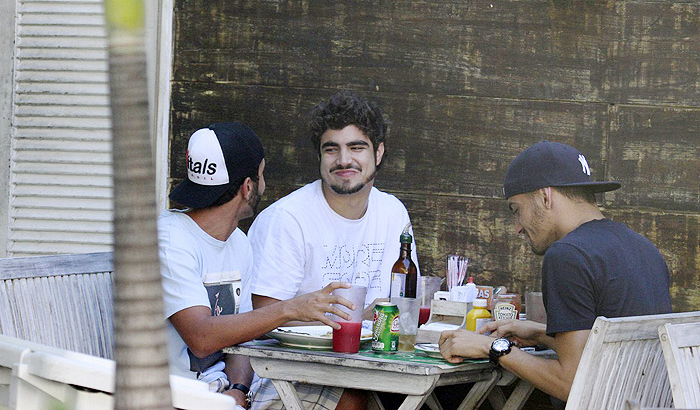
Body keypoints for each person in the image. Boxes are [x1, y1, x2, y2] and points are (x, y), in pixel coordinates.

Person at [439, 140, 671, 409]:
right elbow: (612, 353)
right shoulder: (645, 248)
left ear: (545, 197)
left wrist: (490, 348)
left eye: (517, 210)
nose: (517, 227)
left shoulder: (567, 254)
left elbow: (571, 384)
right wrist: (541, 334)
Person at [158, 122, 355, 409]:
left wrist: (239, 389)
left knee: (347, 395)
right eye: (261, 174)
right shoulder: (170, 239)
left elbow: (244, 337)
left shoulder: (237, 241)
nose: (263, 183)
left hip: (221, 387)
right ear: (248, 187)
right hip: (174, 395)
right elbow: (200, 337)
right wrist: (289, 308)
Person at [247, 91, 419, 409]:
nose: (343, 160)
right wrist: (357, 320)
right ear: (320, 156)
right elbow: (262, 322)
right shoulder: (287, 219)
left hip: (372, 373)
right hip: (290, 376)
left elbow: (402, 308)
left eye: (356, 147)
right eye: (332, 149)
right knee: (355, 398)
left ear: (378, 153)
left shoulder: (393, 213)